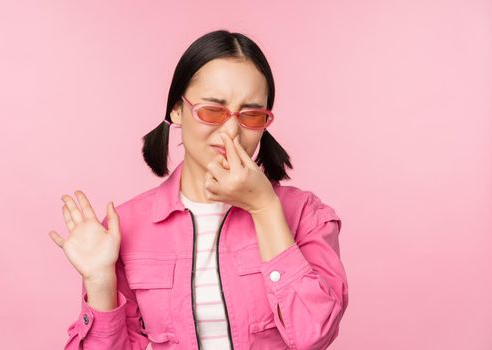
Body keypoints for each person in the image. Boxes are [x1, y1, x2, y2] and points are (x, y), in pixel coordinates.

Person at [49, 29, 348, 350]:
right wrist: (100, 281)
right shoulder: (126, 228)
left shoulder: (306, 215)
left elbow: (314, 335)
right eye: (212, 111)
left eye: (251, 115)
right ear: (177, 109)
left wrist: (265, 208)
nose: (232, 130)